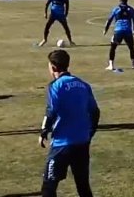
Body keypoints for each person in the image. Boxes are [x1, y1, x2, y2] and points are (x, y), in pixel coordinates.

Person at [39, 49, 99, 197]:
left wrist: (43, 131)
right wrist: (89, 135)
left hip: (62, 145)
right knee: (83, 187)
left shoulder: (55, 86)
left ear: (53, 67)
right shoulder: (83, 84)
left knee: (48, 188)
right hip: (82, 143)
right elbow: (95, 112)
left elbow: (51, 110)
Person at [103, 0, 134, 71]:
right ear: (127, 0)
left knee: (113, 47)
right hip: (128, 31)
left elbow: (109, 20)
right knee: (131, 47)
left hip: (118, 31)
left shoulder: (116, 9)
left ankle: (111, 65)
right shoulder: (131, 9)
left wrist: (105, 29)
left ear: (120, 1)